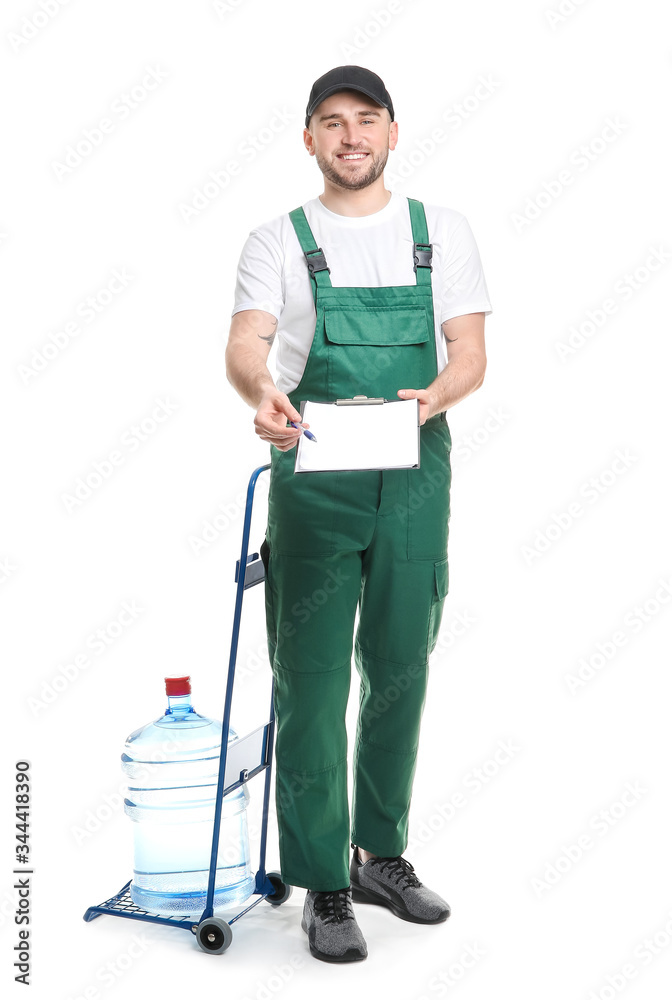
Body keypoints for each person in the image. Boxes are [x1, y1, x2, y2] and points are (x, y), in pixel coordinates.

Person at [225, 65, 492, 963]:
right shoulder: (278, 239)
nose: (350, 136)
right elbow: (246, 344)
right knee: (311, 679)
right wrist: (260, 392)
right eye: (331, 123)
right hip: (314, 475)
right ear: (309, 138)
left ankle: (381, 855)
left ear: (391, 132)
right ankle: (323, 883)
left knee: (400, 666)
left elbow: (470, 355)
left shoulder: (440, 232)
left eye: (366, 120)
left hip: (416, 470)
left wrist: (432, 398)